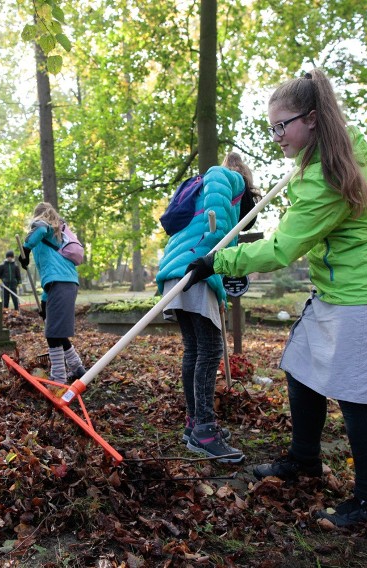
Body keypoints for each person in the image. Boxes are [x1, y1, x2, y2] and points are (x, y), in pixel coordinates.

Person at [185, 70, 367, 526]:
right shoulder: (348, 154)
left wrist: (220, 261)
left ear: (312, 119)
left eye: (282, 126)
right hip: (338, 290)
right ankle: (305, 459)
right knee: (303, 369)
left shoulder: (328, 176)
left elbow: (283, 248)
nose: (276, 137)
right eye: (270, 127)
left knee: (356, 397)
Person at [156, 153, 257, 464]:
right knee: (209, 351)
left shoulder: (199, 188)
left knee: (195, 350)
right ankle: (204, 429)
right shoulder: (225, 177)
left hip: (179, 269)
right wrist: (215, 255)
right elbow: (219, 226)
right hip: (198, 266)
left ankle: (193, 423)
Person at [18, 203, 86, 384]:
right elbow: (50, 272)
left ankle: (59, 378)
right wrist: (44, 302)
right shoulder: (56, 234)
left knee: (52, 333)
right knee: (56, 331)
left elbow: (39, 230)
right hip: (60, 284)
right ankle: (77, 368)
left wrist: (26, 248)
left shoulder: (43, 226)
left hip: (61, 283)